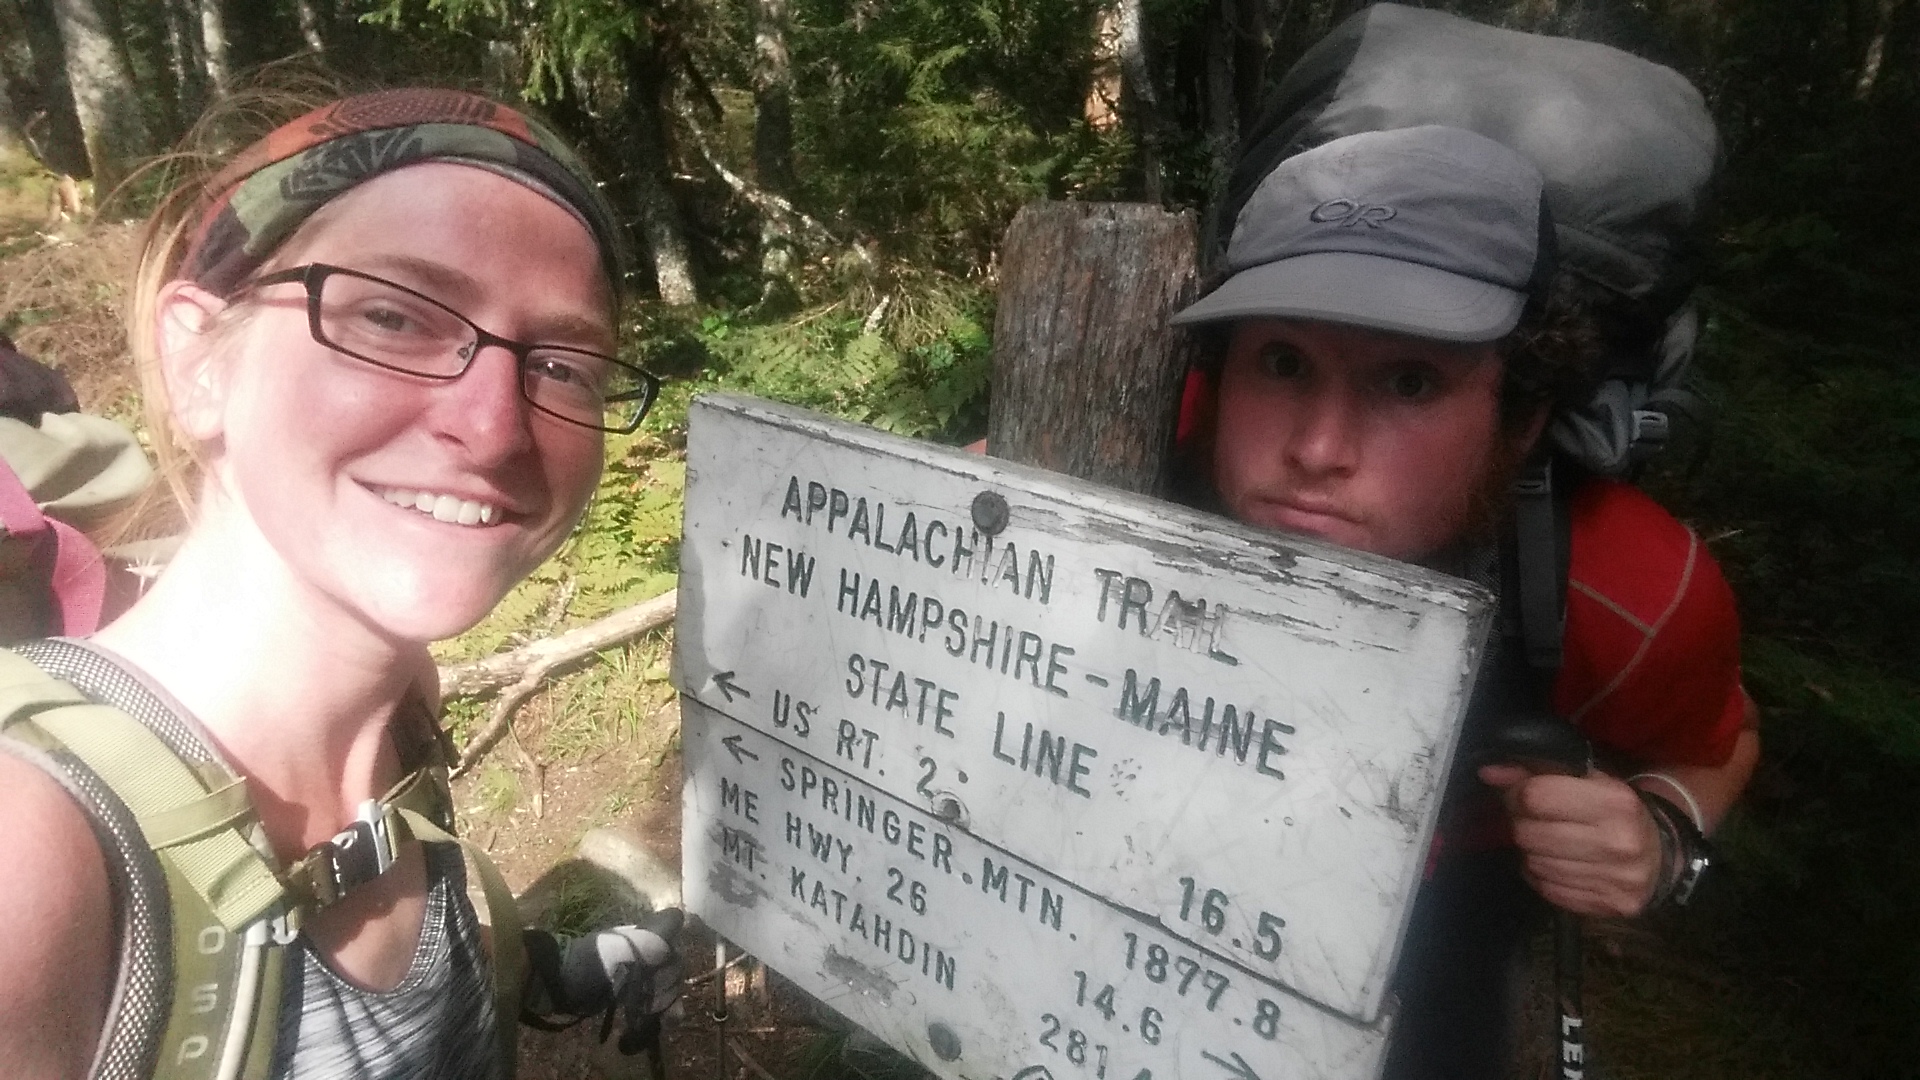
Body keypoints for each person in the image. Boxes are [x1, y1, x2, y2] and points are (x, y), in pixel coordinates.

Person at [0, 88, 680, 1080]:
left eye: (564, 365)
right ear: (197, 362)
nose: (493, 427)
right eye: (393, 316)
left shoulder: (404, 710)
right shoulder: (34, 854)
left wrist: (535, 972)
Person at [1166, 124, 1760, 1076]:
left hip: (1449, 890)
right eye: (1282, 362)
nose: (1316, 450)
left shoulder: (1628, 589)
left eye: (1410, 380)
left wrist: (1662, 835)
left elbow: (1718, 742)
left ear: (1521, 419)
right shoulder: (1127, 460)